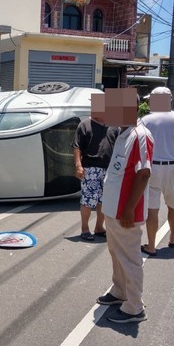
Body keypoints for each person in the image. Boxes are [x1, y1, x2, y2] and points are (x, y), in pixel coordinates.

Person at [96, 87, 153, 323]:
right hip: (113, 209)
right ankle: (119, 290)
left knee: (129, 258)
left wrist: (129, 209)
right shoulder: (122, 133)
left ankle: (134, 306)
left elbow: (144, 174)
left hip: (125, 211)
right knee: (115, 253)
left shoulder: (140, 135)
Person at [140, 87, 174, 256]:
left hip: (152, 167)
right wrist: (173, 148)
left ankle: (151, 246)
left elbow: (140, 145)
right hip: (173, 166)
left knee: (152, 208)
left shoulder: (145, 120)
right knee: (173, 204)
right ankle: (172, 237)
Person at [72, 93, 119, 241]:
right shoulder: (84, 125)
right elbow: (76, 147)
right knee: (88, 200)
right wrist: (78, 166)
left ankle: (99, 227)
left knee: (104, 201)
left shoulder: (114, 126)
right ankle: (85, 229)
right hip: (90, 168)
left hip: (109, 169)